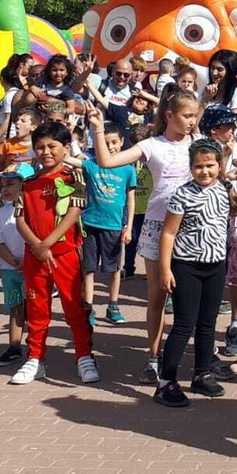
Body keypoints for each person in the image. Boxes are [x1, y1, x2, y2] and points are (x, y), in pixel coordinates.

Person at [88, 88, 201, 382]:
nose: (191, 121)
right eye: (186, 115)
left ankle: (200, 360)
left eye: (194, 116)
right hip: (157, 226)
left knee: (193, 296)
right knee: (157, 296)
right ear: (169, 115)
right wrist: (98, 129)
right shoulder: (152, 145)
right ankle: (153, 356)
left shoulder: (199, 144)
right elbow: (107, 162)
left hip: (192, 227)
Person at [10, 120, 98, 386]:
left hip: (65, 255)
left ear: (66, 147)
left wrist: (47, 243)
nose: (46, 152)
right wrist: (37, 246)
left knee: (74, 308)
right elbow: (20, 218)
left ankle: (84, 356)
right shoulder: (27, 182)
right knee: (37, 309)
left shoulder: (76, 177)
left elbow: (74, 212)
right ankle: (35, 358)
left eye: (52, 146)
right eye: (40, 147)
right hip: (34, 256)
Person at [153, 138, 233, 406]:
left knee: (208, 324)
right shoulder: (182, 194)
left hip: (215, 266)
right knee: (184, 324)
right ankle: (166, 382)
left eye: (210, 165)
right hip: (186, 266)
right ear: (191, 167)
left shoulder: (223, 190)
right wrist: (165, 269)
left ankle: (202, 374)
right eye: (198, 166)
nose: (204, 171)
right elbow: (168, 233)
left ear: (219, 166)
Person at [78, 120, 136, 326]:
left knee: (114, 270)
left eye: (114, 142)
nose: (110, 147)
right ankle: (88, 307)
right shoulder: (91, 164)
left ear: (121, 142)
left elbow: (131, 200)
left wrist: (128, 227)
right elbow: (70, 160)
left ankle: (113, 305)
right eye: (105, 142)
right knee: (89, 269)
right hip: (90, 224)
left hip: (114, 227)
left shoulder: (128, 170)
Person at [0, 173, 28, 366]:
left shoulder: (32, 210)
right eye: (2, 184)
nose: (4, 188)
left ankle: (36, 347)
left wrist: (27, 263)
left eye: (10, 184)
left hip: (32, 269)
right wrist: (14, 262)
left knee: (35, 309)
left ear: (24, 185)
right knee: (15, 308)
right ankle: (14, 347)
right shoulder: (1, 214)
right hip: (9, 269)